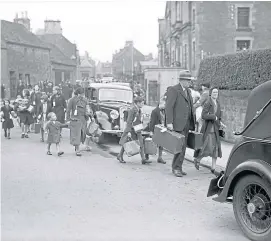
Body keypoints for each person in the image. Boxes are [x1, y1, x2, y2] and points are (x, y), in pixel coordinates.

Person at [165, 73, 196, 177]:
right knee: (179, 146)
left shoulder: (188, 91)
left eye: (190, 80)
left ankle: (179, 167)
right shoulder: (173, 90)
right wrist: (169, 122)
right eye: (188, 80)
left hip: (187, 123)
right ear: (182, 80)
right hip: (178, 124)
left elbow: (190, 106)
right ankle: (176, 168)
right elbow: (169, 107)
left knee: (183, 147)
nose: (190, 82)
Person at [194, 87, 226, 173]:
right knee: (206, 148)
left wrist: (221, 123)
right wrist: (213, 116)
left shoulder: (218, 103)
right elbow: (203, 116)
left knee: (215, 149)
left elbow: (218, 117)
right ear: (211, 93)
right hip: (208, 130)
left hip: (215, 130)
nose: (216, 94)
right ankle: (198, 159)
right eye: (214, 92)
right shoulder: (208, 103)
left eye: (217, 92)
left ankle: (213, 168)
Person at [117, 96, 151, 164]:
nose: (143, 105)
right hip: (131, 129)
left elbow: (138, 120)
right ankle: (120, 155)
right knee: (126, 143)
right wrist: (129, 131)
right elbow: (129, 121)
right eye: (142, 103)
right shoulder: (132, 110)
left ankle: (143, 159)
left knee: (141, 142)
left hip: (137, 129)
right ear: (137, 103)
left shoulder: (139, 109)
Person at [66, 87, 91, 156]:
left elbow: (88, 109)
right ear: (78, 93)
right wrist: (68, 120)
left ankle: (78, 145)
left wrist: (89, 114)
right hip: (75, 119)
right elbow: (68, 110)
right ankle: (77, 149)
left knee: (83, 135)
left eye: (83, 94)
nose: (82, 95)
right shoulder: (72, 100)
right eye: (81, 94)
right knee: (77, 135)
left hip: (83, 119)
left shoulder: (85, 100)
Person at [145, 97, 166, 164]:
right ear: (161, 104)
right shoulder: (155, 111)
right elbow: (152, 121)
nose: (165, 106)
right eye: (165, 104)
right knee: (151, 142)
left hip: (161, 129)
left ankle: (160, 157)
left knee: (161, 143)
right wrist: (151, 131)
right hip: (155, 129)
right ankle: (146, 155)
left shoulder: (164, 111)